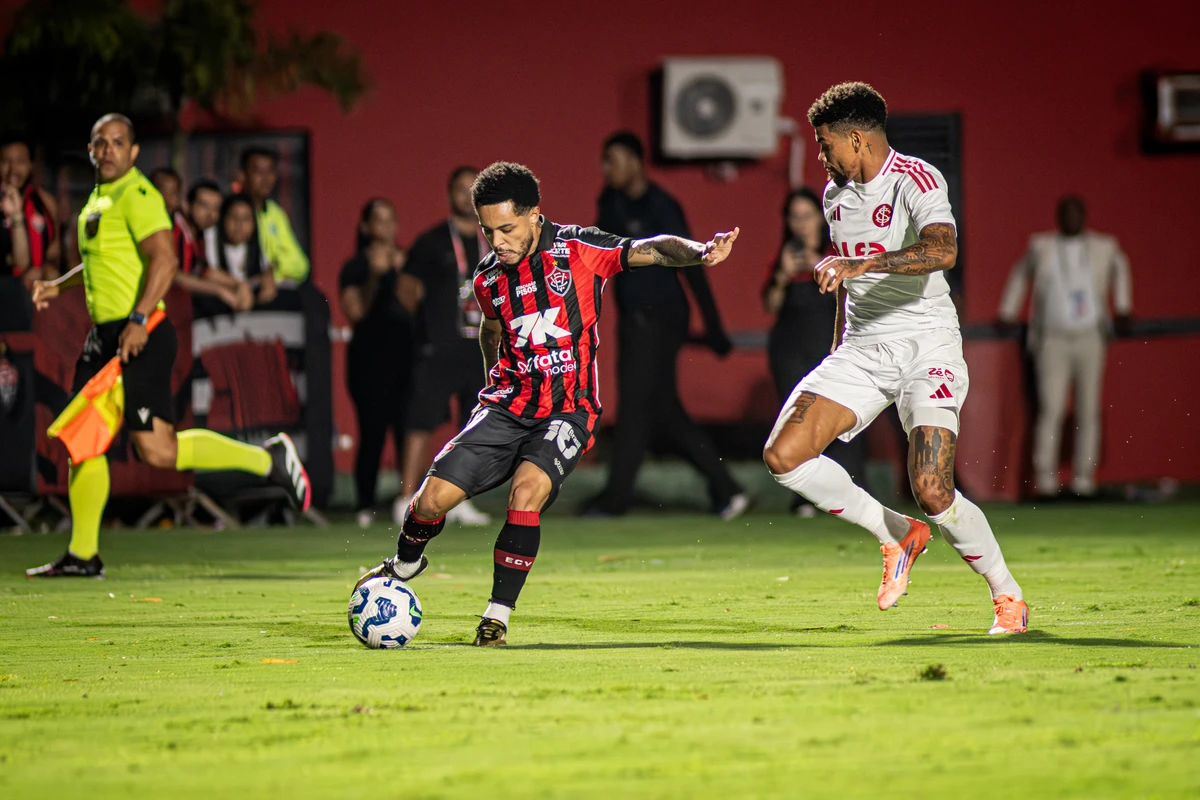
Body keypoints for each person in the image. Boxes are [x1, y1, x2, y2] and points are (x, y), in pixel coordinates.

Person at [356, 161, 739, 646]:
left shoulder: (579, 249)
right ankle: (406, 563)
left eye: (507, 229)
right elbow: (491, 329)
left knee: (526, 493)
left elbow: (651, 249)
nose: (497, 242)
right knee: (429, 501)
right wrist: (490, 384)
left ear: (535, 215)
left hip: (568, 410)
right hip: (505, 407)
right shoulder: (488, 279)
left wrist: (700, 252)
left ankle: (497, 616)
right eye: (488, 231)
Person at [761, 83, 1028, 635]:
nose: (821, 156)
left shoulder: (916, 178)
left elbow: (942, 249)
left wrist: (866, 264)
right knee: (784, 455)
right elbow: (847, 281)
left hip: (927, 345)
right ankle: (896, 534)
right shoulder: (834, 196)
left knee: (932, 489)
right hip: (861, 349)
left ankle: (1007, 595)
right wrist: (838, 346)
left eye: (825, 144)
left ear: (857, 139)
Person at [25, 113, 311, 578]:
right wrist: (59, 285)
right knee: (84, 440)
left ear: (134, 152)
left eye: (119, 142)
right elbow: (104, 263)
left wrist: (139, 319)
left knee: (156, 451)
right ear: (91, 150)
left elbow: (164, 259)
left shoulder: (138, 195)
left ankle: (267, 458)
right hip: (106, 337)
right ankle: (82, 555)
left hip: (140, 334)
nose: (109, 150)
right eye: (101, 143)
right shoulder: (99, 198)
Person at [586, 131, 747, 519]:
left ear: (634, 162)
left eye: (613, 160)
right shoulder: (610, 204)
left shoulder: (661, 205)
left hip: (660, 319)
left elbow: (694, 263)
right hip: (634, 321)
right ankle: (728, 489)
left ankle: (616, 500)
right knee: (663, 410)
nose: (606, 169)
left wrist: (714, 326)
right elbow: (596, 257)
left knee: (635, 410)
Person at [998, 195, 1132, 499]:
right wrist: (1008, 311)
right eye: (1066, 213)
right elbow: (1020, 274)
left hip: (1090, 336)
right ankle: (1045, 481)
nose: (1071, 218)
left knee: (1089, 408)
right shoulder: (1041, 246)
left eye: (1076, 213)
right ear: (1058, 217)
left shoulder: (1104, 246)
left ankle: (1085, 480)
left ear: (1084, 216)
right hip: (1052, 338)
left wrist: (1123, 306)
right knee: (1051, 408)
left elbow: (1121, 268)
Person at [393, 166, 492, 527]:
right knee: (421, 420)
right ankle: (405, 497)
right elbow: (406, 288)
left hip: (480, 350)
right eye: (460, 189)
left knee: (473, 426)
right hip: (438, 348)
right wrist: (428, 325)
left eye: (472, 188)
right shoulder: (432, 240)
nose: (466, 195)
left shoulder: (494, 240)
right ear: (449, 194)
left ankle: (460, 498)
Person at [762, 187, 866, 515]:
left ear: (820, 218)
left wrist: (816, 265)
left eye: (806, 216)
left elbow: (852, 298)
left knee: (839, 424)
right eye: (794, 217)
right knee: (798, 422)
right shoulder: (785, 255)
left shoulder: (835, 252)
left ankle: (852, 494)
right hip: (790, 348)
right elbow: (770, 305)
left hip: (829, 347)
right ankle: (806, 498)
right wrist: (783, 275)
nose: (800, 224)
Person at [339, 198, 414, 528]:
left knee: (406, 432)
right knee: (372, 432)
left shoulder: (407, 261)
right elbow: (355, 311)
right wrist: (375, 275)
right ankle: (365, 504)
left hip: (405, 358)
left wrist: (398, 272)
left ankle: (406, 501)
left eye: (390, 219)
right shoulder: (355, 267)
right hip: (368, 361)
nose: (385, 227)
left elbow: (414, 304)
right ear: (366, 226)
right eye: (378, 220)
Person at [169, 178, 254, 311]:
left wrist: (239, 284)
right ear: (186, 205)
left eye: (216, 208)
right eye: (204, 206)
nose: (210, 214)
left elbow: (204, 271)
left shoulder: (199, 234)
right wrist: (219, 290)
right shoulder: (173, 229)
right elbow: (173, 275)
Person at [239, 147, 309, 283]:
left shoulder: (276, 212)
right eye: (258, 172)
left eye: (270, 171)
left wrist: (276, 266)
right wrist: (275, 266)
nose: (265, 178)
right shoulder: (235, 211)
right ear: (243, 175)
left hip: (279, 285)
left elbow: (301, 265)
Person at [0, 135, 61, 281]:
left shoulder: (45, 202)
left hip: (38, 283)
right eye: (5, 161)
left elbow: (54, 253)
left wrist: (45, 270)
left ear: (30, 165)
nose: (13, 169)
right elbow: (18, 265)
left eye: (20, 161)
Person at [207, 193, 277, 308]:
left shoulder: (257, 240)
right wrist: (239, 285)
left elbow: (266, 268)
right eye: (234, 217)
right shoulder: (210, 236)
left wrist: (268, 280)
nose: (239, 225)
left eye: (246, 219)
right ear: (223, 218)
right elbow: (208, 273)